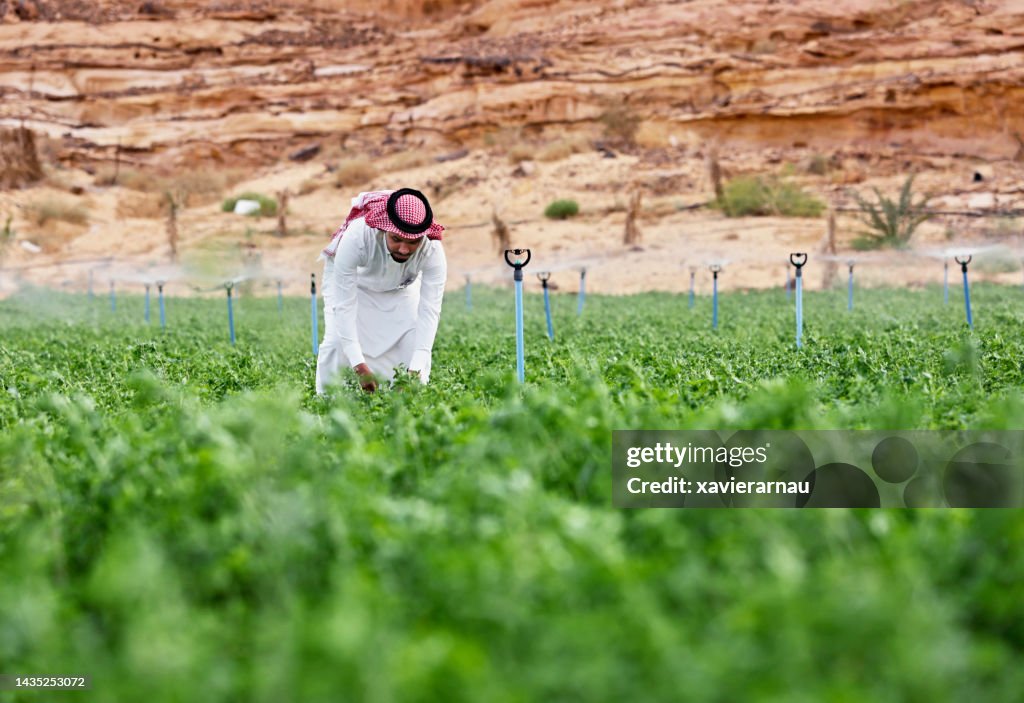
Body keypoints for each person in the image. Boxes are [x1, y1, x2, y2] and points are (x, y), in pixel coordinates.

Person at [315, 188, 447, 394]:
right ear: (384, 229)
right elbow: (344, 306)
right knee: (336, 342)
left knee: (412, 345)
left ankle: (405, 408)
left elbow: (430, 310)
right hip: (354, 287)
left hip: (400, 288)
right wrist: (358, 365)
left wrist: (415, 369)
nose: (404, 249)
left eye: (413, 242)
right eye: (396, 239)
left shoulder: (432, 250)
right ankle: (329, 406)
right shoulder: (357, 238)